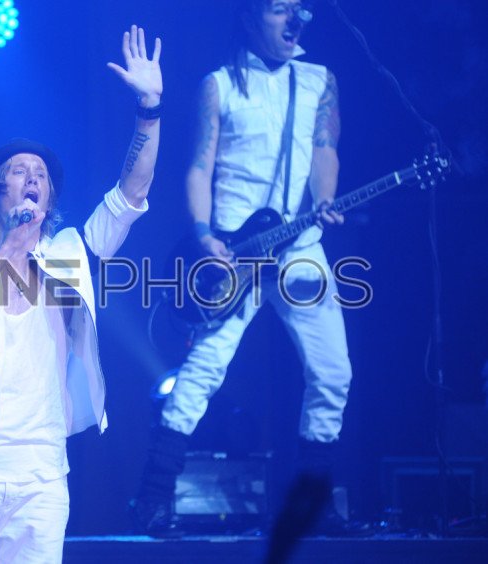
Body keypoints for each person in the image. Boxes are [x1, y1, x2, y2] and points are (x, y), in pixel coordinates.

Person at [0, 25, 162, 563]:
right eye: (19, 171)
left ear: (49, 196)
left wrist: (149, 110)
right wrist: (9, 248)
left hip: (43, 474)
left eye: (41, 175)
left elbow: (132, 193)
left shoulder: (72, 250)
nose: (32, 178)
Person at [132, 0, 352, 536]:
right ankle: (154, 499)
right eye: (279, 9)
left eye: (299, 9)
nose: (294, 19)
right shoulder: (220, 85)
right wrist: (204, 234)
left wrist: (325, 196)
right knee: (204, 370)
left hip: (301, 246)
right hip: (236, 251)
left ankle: (314, 506)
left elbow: (325, 149)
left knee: (333, 372)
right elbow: (199, 167)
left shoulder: (320, 79)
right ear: (252, 16)